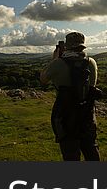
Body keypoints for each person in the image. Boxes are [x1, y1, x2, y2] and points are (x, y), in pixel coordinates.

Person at [40, 32, 101, 161]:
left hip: (65, 114)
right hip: (87, 114)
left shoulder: (58, 63)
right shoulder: (91, 63)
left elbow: (43, 79)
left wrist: (54, 59)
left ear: (66, 46)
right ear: (82, 45)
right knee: (91, 150)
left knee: (70, 154)